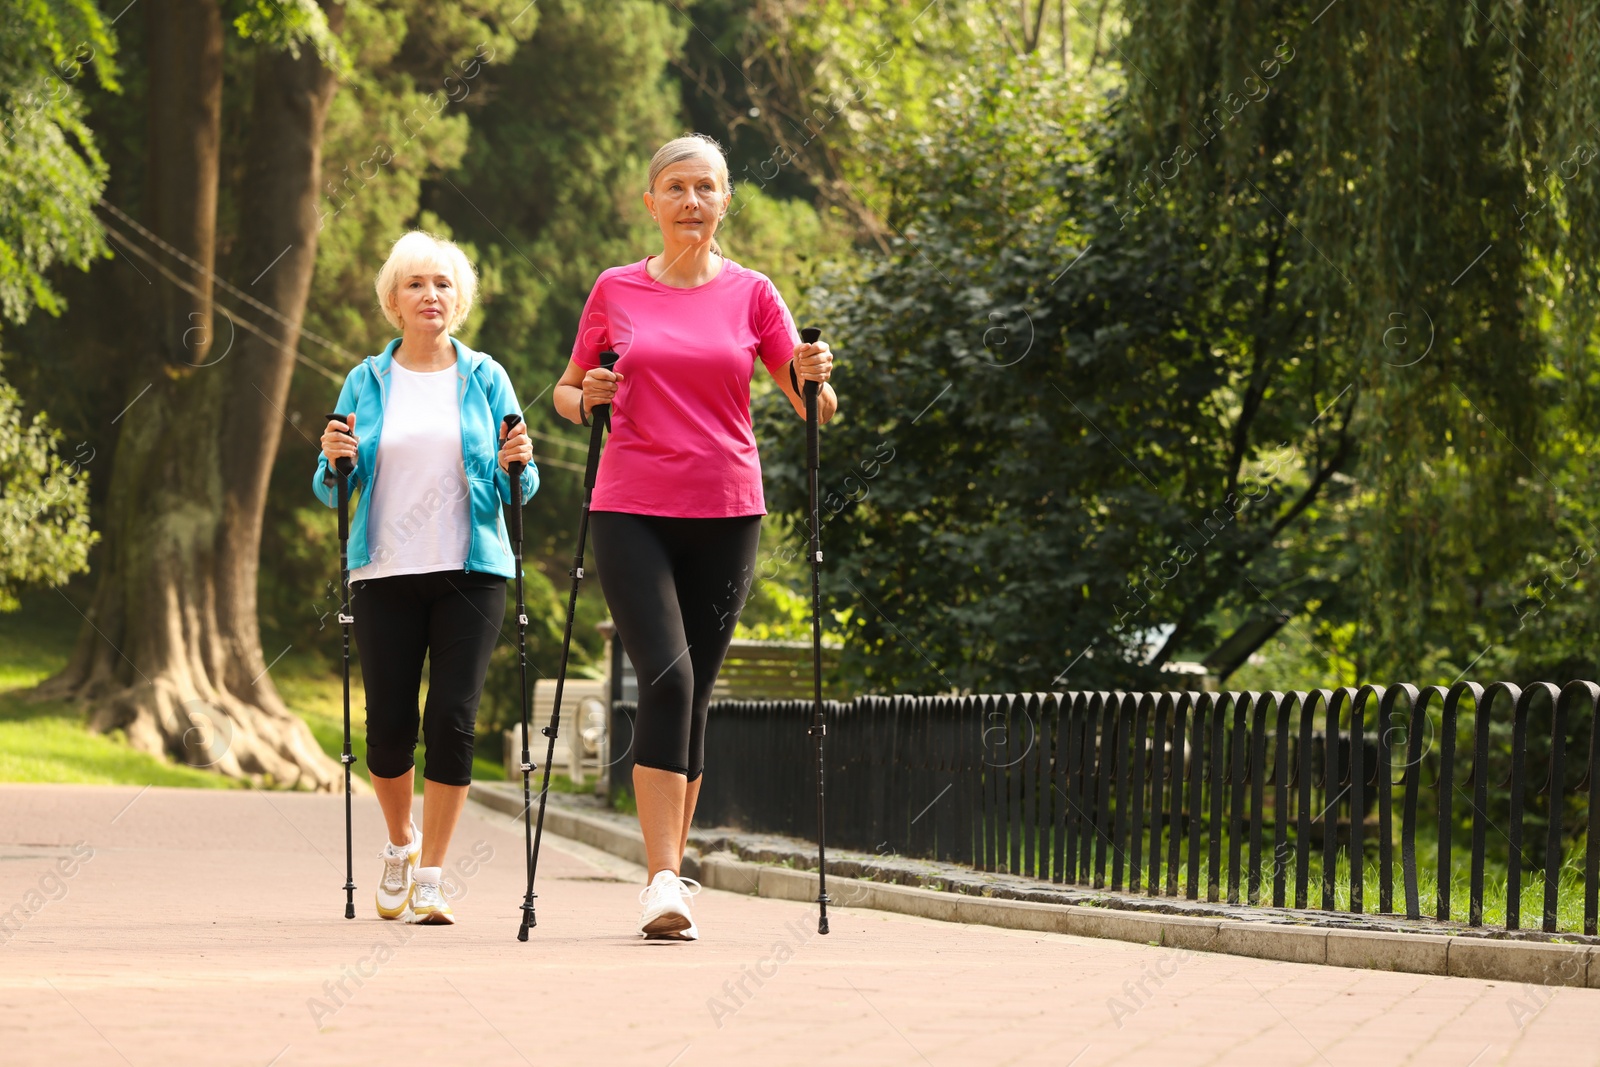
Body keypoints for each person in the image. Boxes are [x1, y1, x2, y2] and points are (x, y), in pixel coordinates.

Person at [553, 134, 837, 940]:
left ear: (725, 203)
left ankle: (670, 878)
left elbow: (814, 407)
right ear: (651, 202)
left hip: (728, 509)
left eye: (705, 188)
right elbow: (567, 391)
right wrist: (589, 395)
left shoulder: (754, 294)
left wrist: (816, 374)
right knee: (668, 678)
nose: (690, 202)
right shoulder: (615, 289)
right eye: (675, 188)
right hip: (632, 506)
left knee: (697, 694)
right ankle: (662, 877)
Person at [315, 230, 535, 925]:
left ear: (458, 299)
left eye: (442, 284)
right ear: (394, 299)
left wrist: (518, 463)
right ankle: (401, 842)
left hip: (472, 571)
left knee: (453, 718)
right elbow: (331, 489)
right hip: (382, 570)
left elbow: (520, 489)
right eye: (416, 283)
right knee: (387, 727)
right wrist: (331, 458)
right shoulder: (365, 380)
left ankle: (434, 872)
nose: (430, 295)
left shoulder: (487, 377)